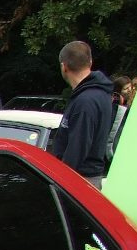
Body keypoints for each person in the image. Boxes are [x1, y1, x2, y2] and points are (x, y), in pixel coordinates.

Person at [49, 41, 114, 187]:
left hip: (80, 180)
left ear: (63, 67)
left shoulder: (86, 101)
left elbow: (78, 148)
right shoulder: (99, 94)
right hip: (86, 177)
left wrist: (60, 181)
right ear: (90, 62)